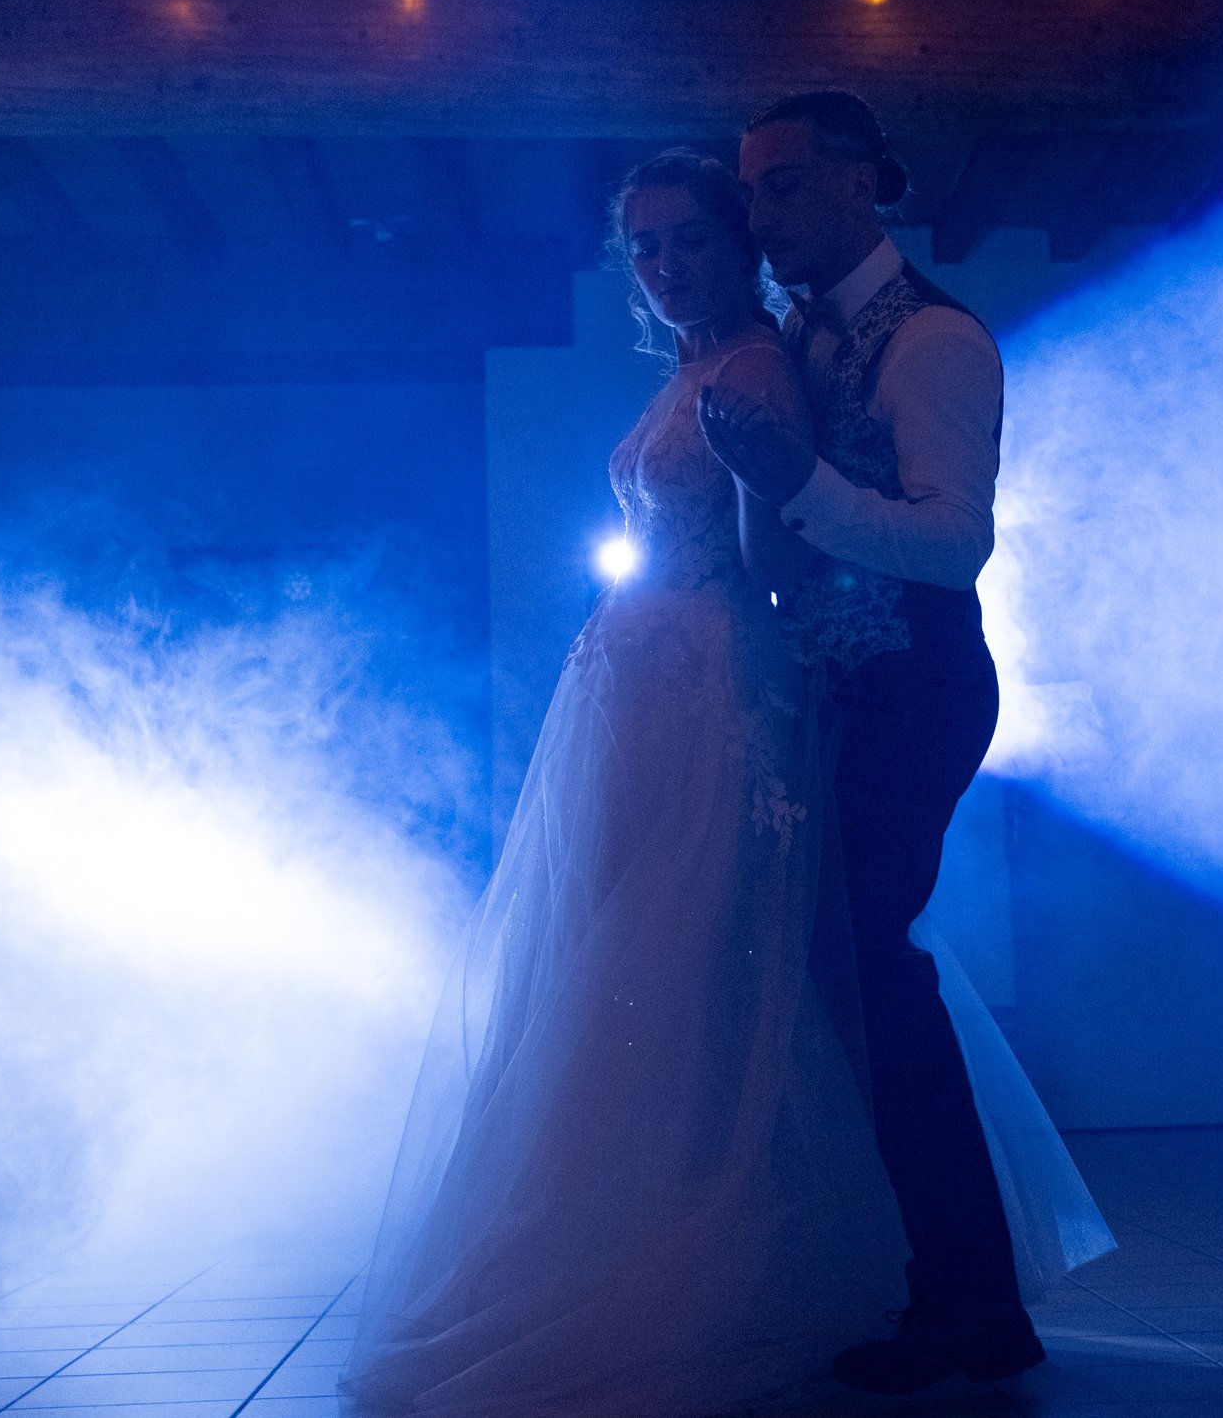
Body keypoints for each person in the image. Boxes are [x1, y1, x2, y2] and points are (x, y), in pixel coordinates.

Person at [341, 149, 1103, 1418]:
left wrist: (766, 500)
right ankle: (698, 1228)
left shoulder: (774, 362)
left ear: (742, 239)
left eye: (689, 238)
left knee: (752, 956)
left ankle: (872, 1270)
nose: (664, 263)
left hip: (717, 675)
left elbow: (782, 555)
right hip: (642, 680)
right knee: (653, 956)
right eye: (643, 246)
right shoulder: (726, 360)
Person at [702, 91, 1066, 1394]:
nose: (764, 214)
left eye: (788, 183)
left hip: (917, 684)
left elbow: (954, 541)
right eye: (755, 190)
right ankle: (925, 1274)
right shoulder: (803, 332)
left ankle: (969, 1292)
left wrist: (791, 484)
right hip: (839, 686)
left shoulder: (933, 340)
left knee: (868, 964)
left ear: (866, 182)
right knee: (847, 975)